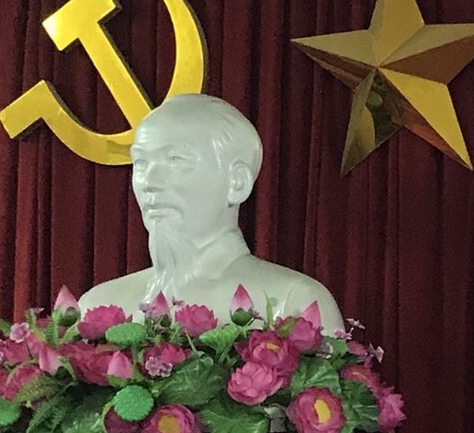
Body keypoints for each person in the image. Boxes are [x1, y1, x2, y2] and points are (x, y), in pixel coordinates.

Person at [81, 93, 345, 332]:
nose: (149, 182)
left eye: (175, 160)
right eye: (140, 163)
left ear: (237, 182)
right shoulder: (98, 307)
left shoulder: (293, 303)